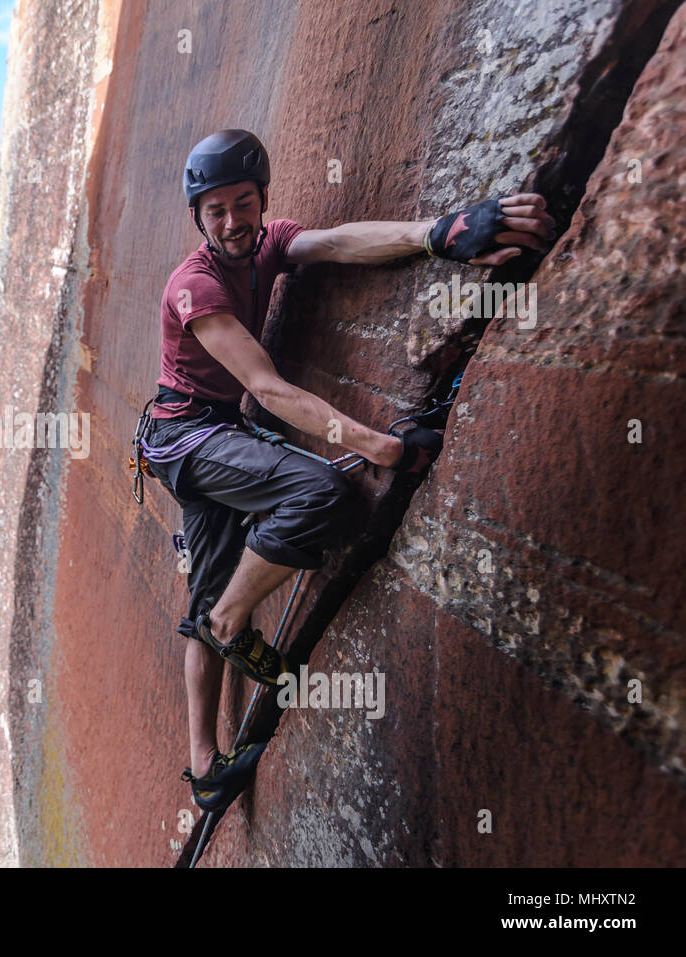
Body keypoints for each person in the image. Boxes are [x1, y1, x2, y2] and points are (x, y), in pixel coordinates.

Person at [142, 129, 556, 812]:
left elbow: (336, 243)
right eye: (215, 211)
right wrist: (379, 445)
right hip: (186, 437)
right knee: (318, 491)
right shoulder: (196, 285)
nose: (232, 221)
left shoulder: (265, 246)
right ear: (198, 219)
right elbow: (268, 389)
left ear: (261, 199)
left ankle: (206, 764)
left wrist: (439, 232)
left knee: (205, 597)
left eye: (243, 203)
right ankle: (233, 621)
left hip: (203, 432)